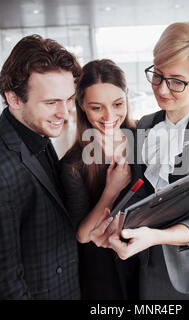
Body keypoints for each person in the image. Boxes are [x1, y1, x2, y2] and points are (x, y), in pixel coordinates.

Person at [99, 22, 189, 299]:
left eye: (176, 81)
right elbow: (139, 192)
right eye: (157, 75)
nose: (162, 89)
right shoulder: (145, 125)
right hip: (150, 270)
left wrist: (155, 236)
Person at [0, 35, 82, 299]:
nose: (65, 112)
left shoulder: (36, 130)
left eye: (69, 99)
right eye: (51, 103)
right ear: (14, 98)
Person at [59, 59, 139, 299]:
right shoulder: (72, 165)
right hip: (103, 273)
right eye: (97, 107)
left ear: (126, 97)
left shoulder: (144, 141)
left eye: (117, 104)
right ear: (81, 105)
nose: (109, 116)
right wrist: (111, 190)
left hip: (143, 261)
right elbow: (83, 235)